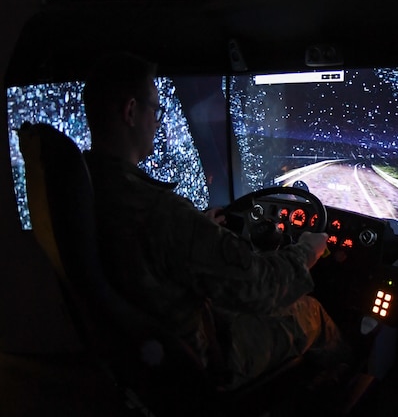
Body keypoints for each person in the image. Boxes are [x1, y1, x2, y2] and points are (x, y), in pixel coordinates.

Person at [81, 51, 348, 390]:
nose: (157, 121)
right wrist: (307, 252)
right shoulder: (159, 211)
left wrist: (198, 228)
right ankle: (346, 393)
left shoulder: (88, 189)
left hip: (141, 358)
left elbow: (155, 248)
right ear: (131, 111)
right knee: (313, 314)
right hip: (200, 363)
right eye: (155, 110)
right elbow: (260, 287)